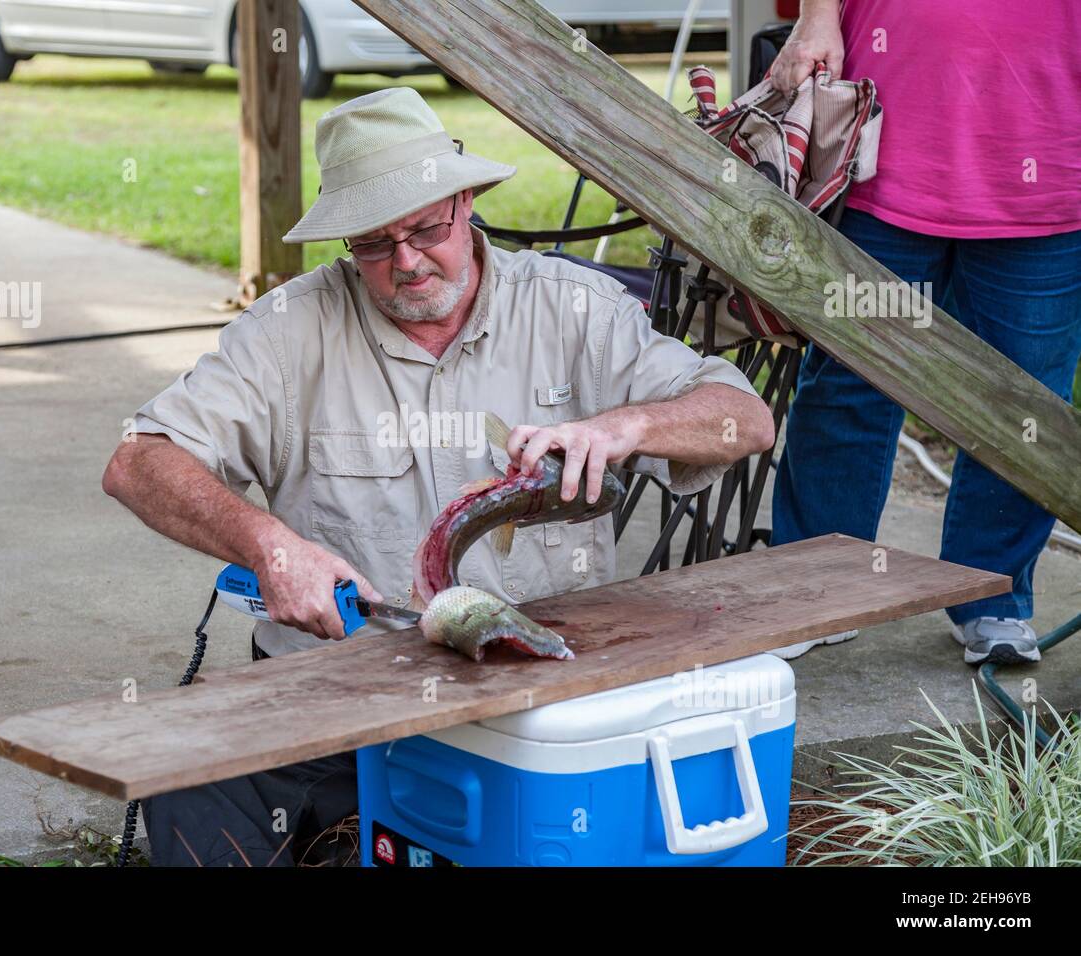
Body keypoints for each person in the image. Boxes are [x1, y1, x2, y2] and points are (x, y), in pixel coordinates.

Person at [102, 86, 774, 865]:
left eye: (427, 227)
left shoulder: (573, 309)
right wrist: (269, 546)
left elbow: (745, 419)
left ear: (468, 201)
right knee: (188, 783)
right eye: (374, 244)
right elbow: (137, 461)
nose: (408, 261)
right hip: (336, 702)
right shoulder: (289, 332)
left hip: (539, 701)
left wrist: (628, 425)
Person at [768, 0, 1081, 664]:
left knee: (1024, 401)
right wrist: (815, 17)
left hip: (1052, 154)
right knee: (849, 383)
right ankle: (820, 583)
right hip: (887, 135)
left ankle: (992, 596)